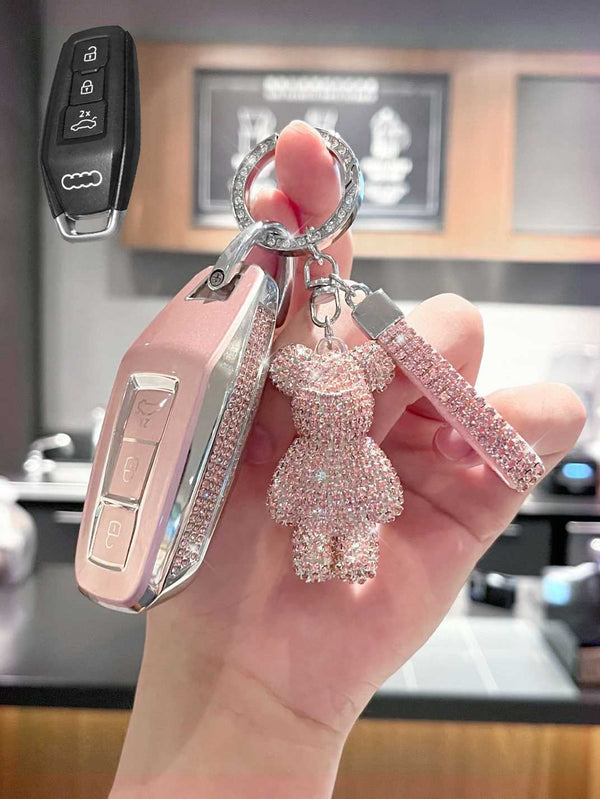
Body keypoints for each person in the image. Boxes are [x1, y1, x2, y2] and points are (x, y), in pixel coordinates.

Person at [109, 121, 585, 798]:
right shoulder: (299, 374)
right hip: (314, 468)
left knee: (357, 526)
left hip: (354, 465)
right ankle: (317, 563)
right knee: (314, 528)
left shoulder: (366, 365)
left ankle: (348, 561)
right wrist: (226, 713)